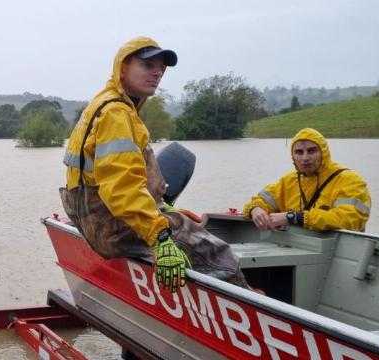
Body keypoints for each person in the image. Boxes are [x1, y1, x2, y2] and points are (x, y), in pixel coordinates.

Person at [60, 36, 248, 292]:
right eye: (147, 65)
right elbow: (121, 188)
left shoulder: (105, 103)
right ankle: (253, 312)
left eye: (161, 68)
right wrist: (159, 236)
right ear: (123, 68)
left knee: (183, 225)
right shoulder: (117, 114)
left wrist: (164, 212)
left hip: (97, 217)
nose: (157, 72)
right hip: (115, 225)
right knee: (218, 255)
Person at [244, 128, 371, 232]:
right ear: (293, 156)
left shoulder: (350, 180)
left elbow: (349, 219)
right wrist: (255, 210)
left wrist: (294, 217)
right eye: (299, 152)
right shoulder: (288, 181)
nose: (305, 158)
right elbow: (259, 201)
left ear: (324, 153)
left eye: (311, 151)